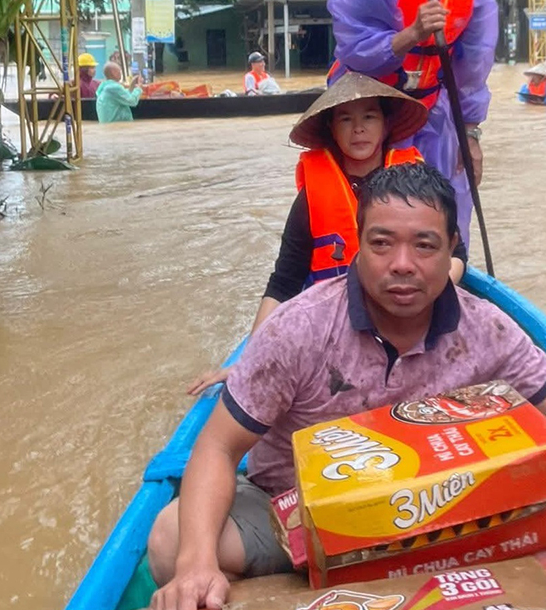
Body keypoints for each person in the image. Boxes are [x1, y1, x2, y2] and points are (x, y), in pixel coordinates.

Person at [147, 163, 546, 610]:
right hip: (297, 515)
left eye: (424, 245)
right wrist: (196, 565)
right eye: (382, 243)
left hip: (441, 518)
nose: (402, 264)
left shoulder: (487, 332)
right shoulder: (297, 330)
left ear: (452, 248)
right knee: (173, 538)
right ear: (358, 244)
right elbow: (219, 447)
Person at [186, 71, 467, 395]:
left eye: (369, 117)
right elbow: (284, 283)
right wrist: (248, 360)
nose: (358, 128)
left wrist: (428, 292)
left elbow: (455, 255)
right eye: (345, 119)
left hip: (411, 318)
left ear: (386, 125)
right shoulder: (311, 198)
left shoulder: (416, 184)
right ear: (332, 130)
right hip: (338, 327)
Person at [327, 0, 498, 247]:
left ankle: (446, 279)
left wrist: (470, 135)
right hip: (370, 109)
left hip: (434, 111)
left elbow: (473, 68)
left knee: (442, 207)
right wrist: (412, 35)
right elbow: (354, 49)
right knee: (367, 212)